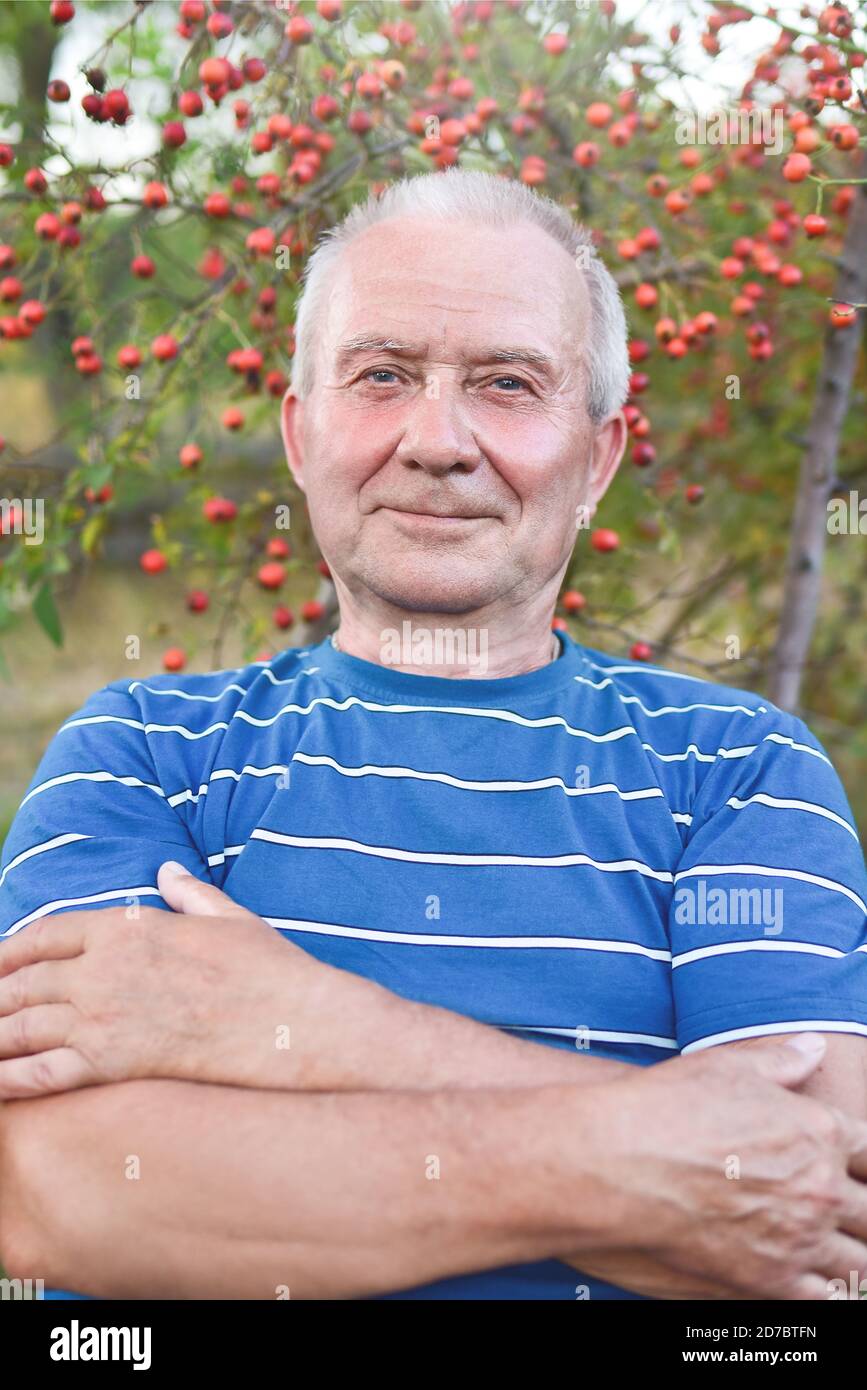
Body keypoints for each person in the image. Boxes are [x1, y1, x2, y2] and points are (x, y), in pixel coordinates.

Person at [1, 169, 866, 1301]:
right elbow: (71, 1194)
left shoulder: (738, 770)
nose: (437, 440)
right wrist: (656, 1166)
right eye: (382, 376)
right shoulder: (141, 752)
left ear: (599, 457)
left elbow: (816, 1214)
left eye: (507, 383)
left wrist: (314, 1028)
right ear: (302, 436)